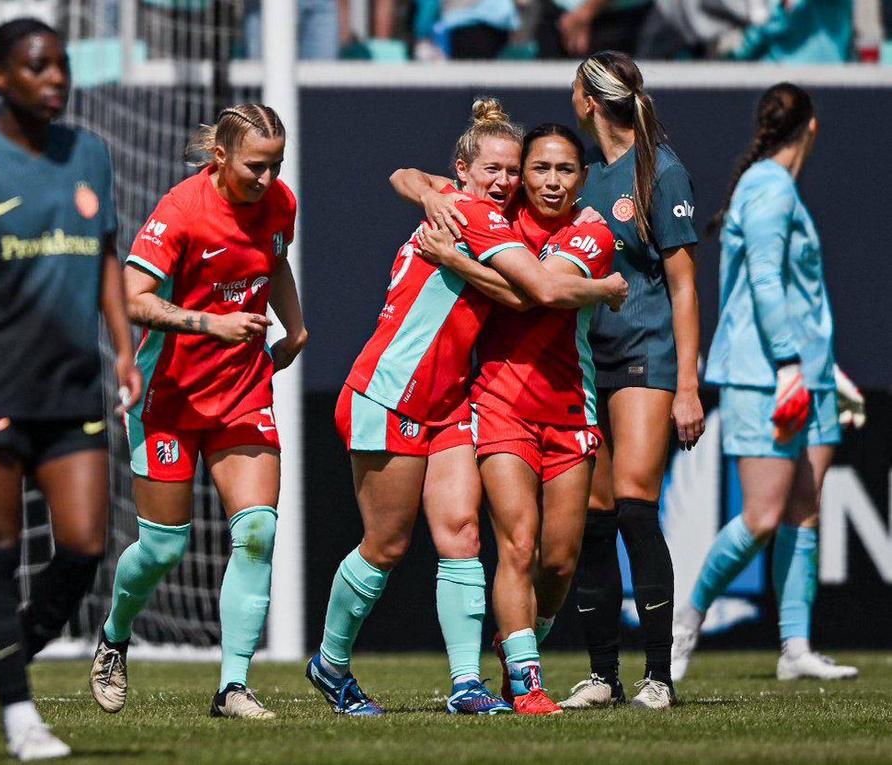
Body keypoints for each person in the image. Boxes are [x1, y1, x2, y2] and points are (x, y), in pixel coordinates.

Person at [306, 99, 626, 717]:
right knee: (387, 546)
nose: (505, 181)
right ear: (463, 173)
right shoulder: (475, 214)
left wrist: (424, 194)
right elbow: (535, 290)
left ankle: (466, 685)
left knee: (463, 534)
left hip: (450, 400)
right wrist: (603, 290)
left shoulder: (472, 211)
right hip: (389, 393)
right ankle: (330, 662)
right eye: (494, 170)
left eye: (514, 169)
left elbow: (410, 179)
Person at [0, 18, 137, 761]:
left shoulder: (91, 155)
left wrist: (124, 350)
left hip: (71, 381)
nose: (55, 79)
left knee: (83, 544)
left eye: (62, 67)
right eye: (37, 67)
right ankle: (20, 714)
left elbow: (107, 253)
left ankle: (8, 650)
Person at [90, 104, 307, 721]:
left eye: (276, 166)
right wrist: (210, 323)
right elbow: (131, 299)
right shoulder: (182, 210)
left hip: (242, 392)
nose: (267, 180)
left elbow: (275, 262)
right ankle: (113, 637)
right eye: (255, 167)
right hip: (171, 398)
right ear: (221, 158)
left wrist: (295, 328)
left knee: (258, 535)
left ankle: (232, 687)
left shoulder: (280, 204)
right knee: (162, 549)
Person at [418, 123, 617, 715]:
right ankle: (527, 684)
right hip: (501, 404)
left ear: (582, 178)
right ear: (523, 174)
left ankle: (515, 648)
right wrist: (423, 190)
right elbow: (410, 175)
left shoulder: (594, 230)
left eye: (564, 170)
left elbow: (543, 294)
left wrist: (455, 258)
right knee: (518, 543)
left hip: (569, 410)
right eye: (540, 169)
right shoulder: (498, 219)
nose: (551, 182)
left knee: (558, 563)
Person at [671, 83, 865, 684]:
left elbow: (799, 298)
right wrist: (787, 364)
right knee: (761, 516)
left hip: (803, 371)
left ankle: (795, 648)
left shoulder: (773, 188)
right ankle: (683, 624)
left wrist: (824, 368)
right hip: (767, 373)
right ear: (811, 127)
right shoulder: (769, 188)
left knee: (804, 509)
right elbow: (763, 280)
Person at [560, 50, 705, 711]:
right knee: (594, 518)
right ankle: (603, 674)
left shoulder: (659, 171)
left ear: (591, 99)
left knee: (635, 505)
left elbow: (682, 285)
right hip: (591, 361)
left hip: (646, 357)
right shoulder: (584, 178)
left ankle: (659, 677)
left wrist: (687, 385)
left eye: (575, 87)